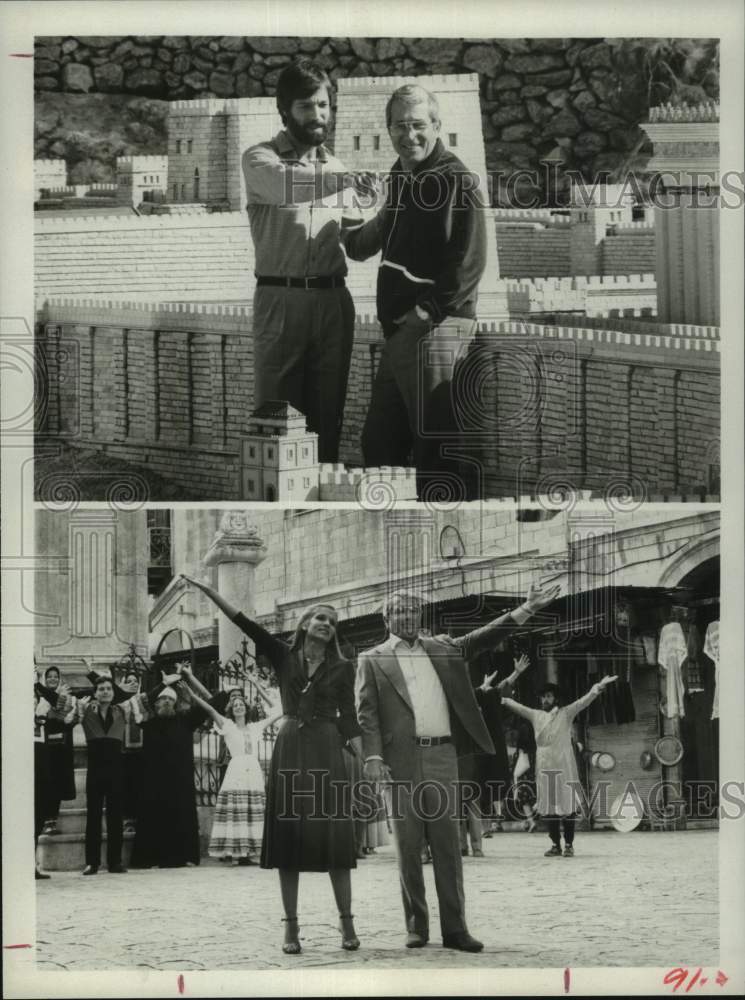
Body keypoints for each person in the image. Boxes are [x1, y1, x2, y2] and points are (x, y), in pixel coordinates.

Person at [355, 582, 560, 951]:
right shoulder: (371, 659)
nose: (407, 616)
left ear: (420, 617)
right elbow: (366, 715)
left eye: (412, 610)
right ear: (386, 618)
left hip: (442, 756)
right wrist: (373, 757)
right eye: (399, 611)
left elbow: (485, 636)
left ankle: (456, 929)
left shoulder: (444, 647)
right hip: (399, 762)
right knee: (408, 846)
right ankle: (416, 926)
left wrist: (526, 609)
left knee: (448, 844)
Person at [181, 574, 363, 955]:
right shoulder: (283, 654)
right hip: (292, 744)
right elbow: (243, 622)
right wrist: (209, 590)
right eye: (320, 618)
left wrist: (368, 758)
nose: (327, 625)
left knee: (334, 834)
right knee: (289, 837)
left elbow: (349, 719)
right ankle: (291, 927)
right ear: (305, 625)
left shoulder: (345, 668)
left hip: (329, 748)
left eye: (332, 621)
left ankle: (346, 922)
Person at [342, 83, 488, 499]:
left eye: (419, 125)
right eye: (400, 126)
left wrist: (425, 314)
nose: (410, 136)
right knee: (380, 442)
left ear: (437, 125)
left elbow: (470, 263)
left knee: (435, 446)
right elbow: (362, 245)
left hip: (437, 327)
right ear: (388, 129)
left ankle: (447, 525)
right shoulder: (401, 176)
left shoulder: (457, 179)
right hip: (402, 334)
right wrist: (355, 204)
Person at [242, 58, 366, 463]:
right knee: (276, 419)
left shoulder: (338, 167)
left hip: (333, 304)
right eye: (306, 106)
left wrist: (397, 211)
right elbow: (287, 187)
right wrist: (345, 182)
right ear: (284, 110)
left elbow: (358, 243)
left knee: (327, 420)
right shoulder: (260, 159)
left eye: (324, 105)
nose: (318, 115)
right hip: (281, 301)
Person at [501, 676, 618, 857]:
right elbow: (516, 706)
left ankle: (569, 844)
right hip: (544, 763)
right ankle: (555, 844)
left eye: (548, 696)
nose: (545, 700)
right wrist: (499, 696)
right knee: (548, 806)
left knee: (567, 803)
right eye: (543, 697)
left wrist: (597, 688)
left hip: (563, 763)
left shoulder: (566, 713)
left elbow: (583, 702)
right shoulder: (536, 715)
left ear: (555, 698)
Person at [129, 666, 210, 871]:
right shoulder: (149, 722)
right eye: (162, 699)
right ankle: (151, 858)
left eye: (170, 699)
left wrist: (191, 682)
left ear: (175, 703)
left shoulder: (186, 720)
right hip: (154, 782)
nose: (166, 702)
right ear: (155, 704)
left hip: (179, 782)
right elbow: (136, 703)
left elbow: (211, 703)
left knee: (180, 816)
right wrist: (163, 685)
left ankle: (181, 856)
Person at [459, 654, 531, 856]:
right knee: (455, 804)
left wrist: (515, 674)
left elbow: (496, 692)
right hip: (456, 756)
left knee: (471, 801)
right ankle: (462, 846)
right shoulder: (457, 696)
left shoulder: (479, 697)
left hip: (474, 760)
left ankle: (476, 846)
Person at [203, 689, 283, 866]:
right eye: (235, 705)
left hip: (253, 770)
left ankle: (248, 853)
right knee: (236, 809)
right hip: (236, 769)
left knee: (251, 809)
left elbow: (278, 713)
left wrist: (256, 683)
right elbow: (210, 710)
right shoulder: (228, 726)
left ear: (246, 709)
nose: (238, 707)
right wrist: (192, 695)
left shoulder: (255, 727)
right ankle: (233, 852)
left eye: (241, 705)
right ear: (232, 709)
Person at [35, 666, 77, 836]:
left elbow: (69, 720)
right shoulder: (39, 697)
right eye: (50, 676)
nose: (52, 679)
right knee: (47, 784)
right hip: (45, 749)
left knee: (59, 783)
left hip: (61, 747)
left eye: (55, 676)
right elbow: (42, 717)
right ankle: (43, 819)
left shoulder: (67, 698)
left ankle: (52, 820)